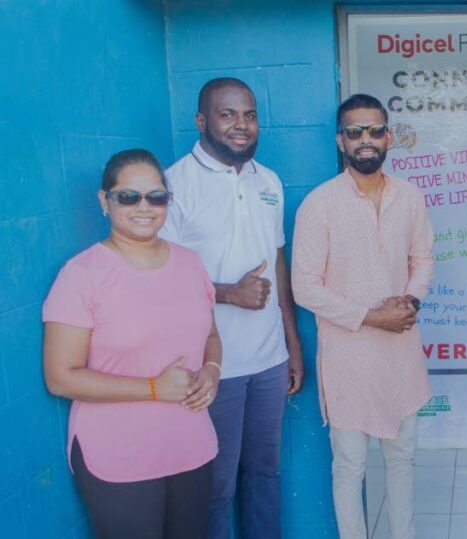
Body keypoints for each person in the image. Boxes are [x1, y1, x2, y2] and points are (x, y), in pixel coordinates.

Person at [42, 149, 221, 538]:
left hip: (190, 444)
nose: (145, 207)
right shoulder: (80, 275)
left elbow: (210, 335)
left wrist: (212, 370)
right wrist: (154, 388)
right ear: (104, 201)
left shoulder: (190, 263)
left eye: (156, 197)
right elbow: (60, 378)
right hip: (117, 456)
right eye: (129, 196)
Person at [161, 77, 304, 539]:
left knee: (265, 473)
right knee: (216, 484)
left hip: (268, 359)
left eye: (249, 114)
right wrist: (226, 293)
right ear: (202, 121)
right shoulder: (173, 184)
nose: (241, 125)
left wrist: (292, 343)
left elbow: (277, 261)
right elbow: (160, 275)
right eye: (227, 115)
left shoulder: (270, 181)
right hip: (209, 365)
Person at [291, 93, 434, 539]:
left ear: (388, 136)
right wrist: (373, 318)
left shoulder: (409, 196)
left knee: (402, 458)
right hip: (348, 358)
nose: (365, 140)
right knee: (350, 465)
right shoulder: (320, 204)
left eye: (374, 130)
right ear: (341, 141)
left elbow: (423, 258)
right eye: (355, 132)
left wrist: (410, 302)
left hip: (400, 354)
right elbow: (304, 287)